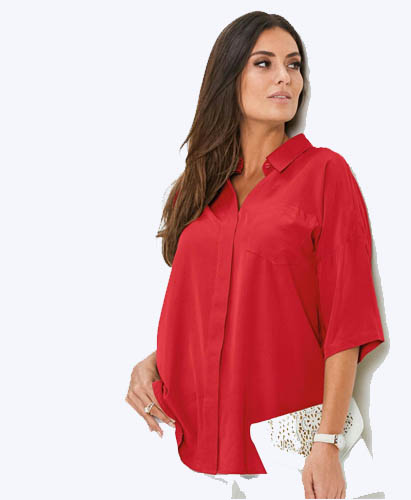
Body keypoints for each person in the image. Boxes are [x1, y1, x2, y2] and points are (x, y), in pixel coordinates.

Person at [126, 11, 385, 499]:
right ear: (230, 78)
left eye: (293, 64)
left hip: (286, 456)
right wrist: (157, 360)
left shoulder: (325, 174)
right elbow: (215, 306)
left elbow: (346, 322)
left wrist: (327, 443)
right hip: (184, 444)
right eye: (264, 63)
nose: (284, 77)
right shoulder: (195, 188)